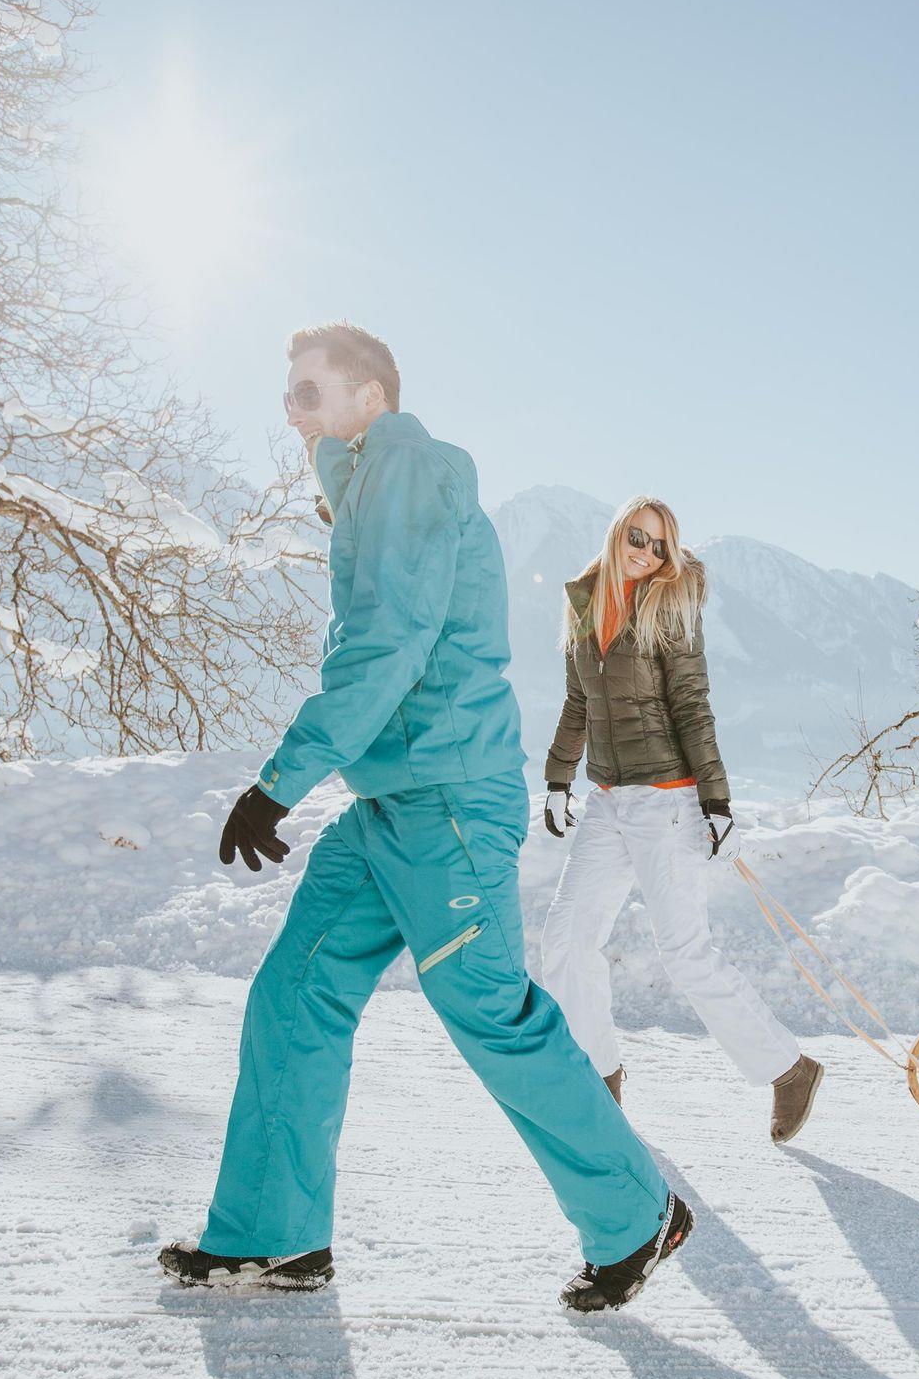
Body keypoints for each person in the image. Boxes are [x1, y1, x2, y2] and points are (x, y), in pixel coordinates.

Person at [160, 324, 691, 1312]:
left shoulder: (408, 473)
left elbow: (389, 643)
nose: (292, 412)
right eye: (286, 395)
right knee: (295, 992)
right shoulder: (367, 484)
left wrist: (280, 780)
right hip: (391, 802)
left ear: (369, 397)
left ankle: (637, 1213)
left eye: (309, 392)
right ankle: (274, 1235)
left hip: (445, 801)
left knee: (488, 1010)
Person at [539, 496, 823, 1141]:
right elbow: (578, 702)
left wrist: (716, 802)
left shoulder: (671, 605)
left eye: (661, 544)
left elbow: (693, 706)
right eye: (639, 537)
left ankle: (788, 1069)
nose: (647, 552)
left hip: (667, 800)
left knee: (685, 952)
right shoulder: (584, 603)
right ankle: (600, 1077)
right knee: (566, 943)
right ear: (617, 533)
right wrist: (558, 778)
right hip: (607, 801)